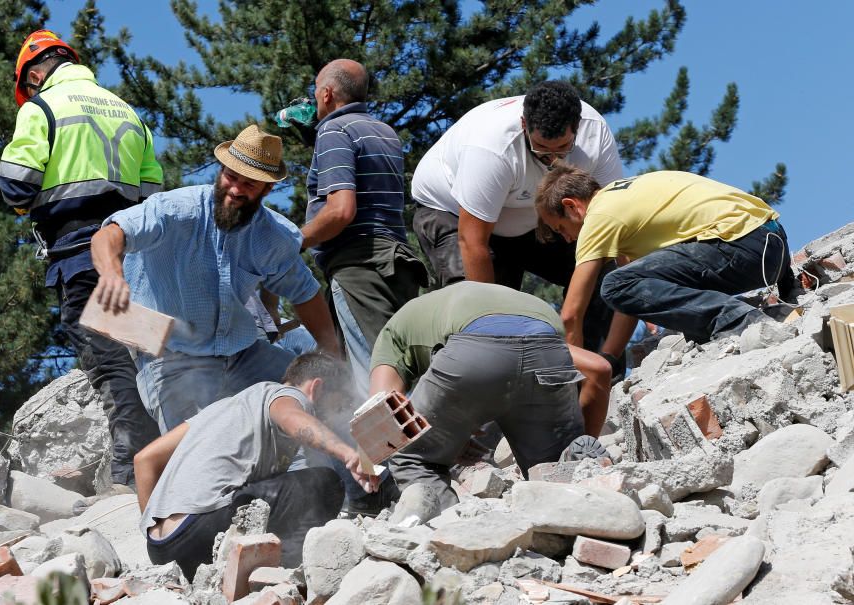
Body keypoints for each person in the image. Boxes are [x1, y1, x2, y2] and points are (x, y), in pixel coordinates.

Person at [91, 125, 340, 433]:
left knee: (316, 397)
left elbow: (304, 294)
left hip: (242, 354)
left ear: (266, 189)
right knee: (194, 445)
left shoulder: (274, 237)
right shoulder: (174, 210)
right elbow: (109, 235)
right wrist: (112, 273)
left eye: (248, 184)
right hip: (172, 358)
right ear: (221, 170)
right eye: (230, 177)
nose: (235, 189)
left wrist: (334, 358)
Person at [0, 30, 163, 488]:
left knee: (108, 357)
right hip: (134, 256)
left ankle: (132, 471)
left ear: (34, 73)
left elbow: (16, 185)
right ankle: (169, 450)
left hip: (80, 255)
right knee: (146, 355)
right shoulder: (129, 113)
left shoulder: (42, 109)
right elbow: (152, 194)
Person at [410, 80, 631, 364]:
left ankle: (594, 374)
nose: (552, 160)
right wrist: (489, 328)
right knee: (477, 312)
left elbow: (611, 218)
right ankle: (471, 386)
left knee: (605, 269)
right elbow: (472, 241)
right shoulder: (492, 146)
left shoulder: (595, 133)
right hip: (452, 214)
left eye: (563, 148)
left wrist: (636, 286)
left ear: (577, 127)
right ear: (524, 123)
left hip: (532, 216)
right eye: (541, 149)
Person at [368, 281, 612, 519]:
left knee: (413, 457)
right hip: (548, 345)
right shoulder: (462, 304)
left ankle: (450, 532)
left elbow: (384, 413)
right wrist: (453, 432)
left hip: (473, 353)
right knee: (549, 467)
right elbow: (600, 368)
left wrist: (367, 457)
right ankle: (575, 477)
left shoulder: (391, 333)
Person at [134, 352, 377, 577]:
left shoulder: (220, 410)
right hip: (202, 529)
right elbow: (292, 417)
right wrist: (347, 453)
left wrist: (154, 534)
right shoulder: (285, 394)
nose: (333, 417)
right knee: (325, 484)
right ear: (317, 387)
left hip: (161, 550)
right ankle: (293, 567)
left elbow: (144, 459)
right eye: (338, 406)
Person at [534, 166, 795, 345]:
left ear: (571, 206)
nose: (568, 239)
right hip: (773, 247)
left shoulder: (599, 216)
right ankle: (734, 320)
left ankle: (741, 321)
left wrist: (577, 372)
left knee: (612, 284)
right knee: (627, 283)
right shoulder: (623, 192)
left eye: (561, 229)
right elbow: (634, 271)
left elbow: (570, 314)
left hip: (745, 248)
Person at [301, 59, 426, 394]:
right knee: (402, 368)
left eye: (315, 93)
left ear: (326, 93)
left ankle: (398, 448)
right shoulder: (385, 132)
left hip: (359, 267)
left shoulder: (334, 130)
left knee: (377, 382)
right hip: (396, 264)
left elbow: (341, 211)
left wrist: (293, 241)